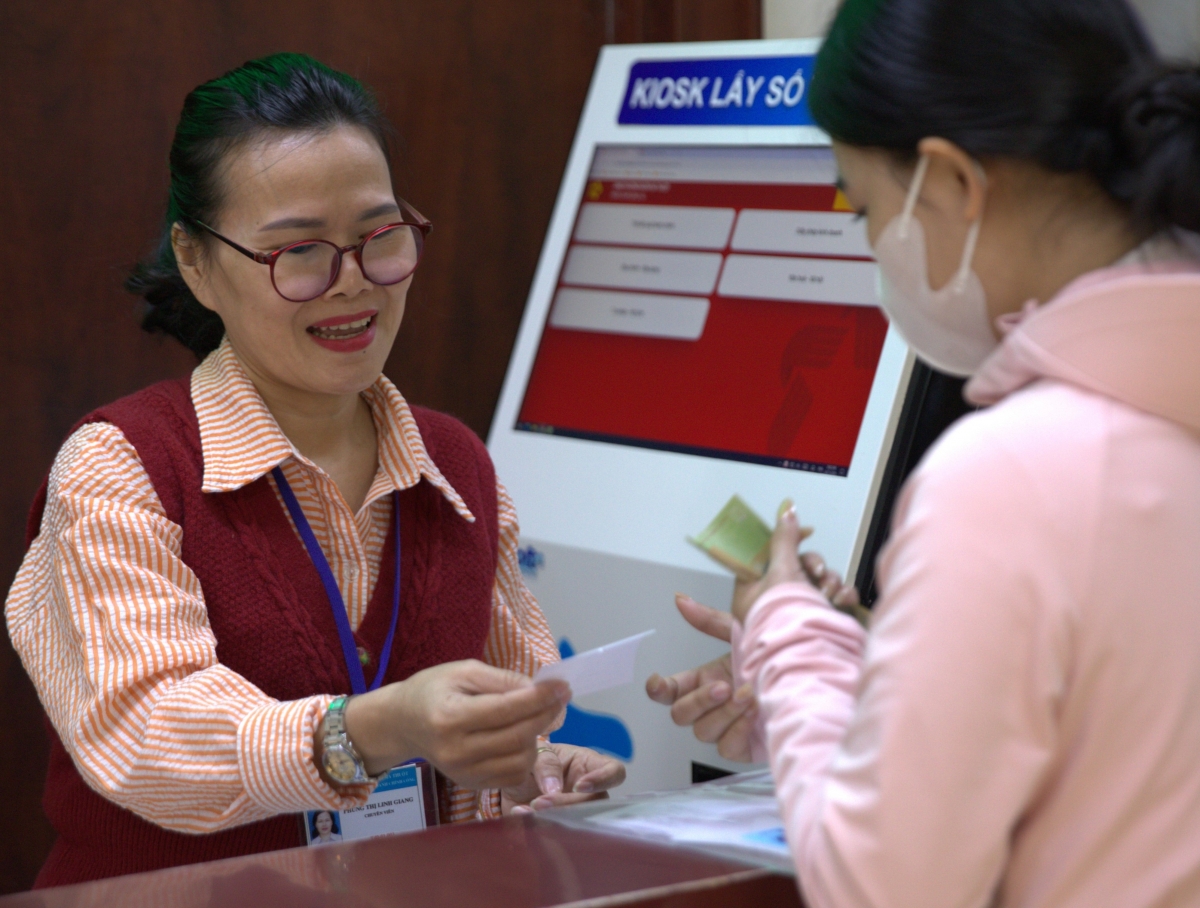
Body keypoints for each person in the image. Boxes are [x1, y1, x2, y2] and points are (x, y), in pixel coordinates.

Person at [6, 53, 623, 888]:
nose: (353, 285)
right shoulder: (122, 468)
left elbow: (503, 715)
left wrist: (534, 772)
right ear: (195, 261)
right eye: (299, 252)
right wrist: (374, 728)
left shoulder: (456, 467)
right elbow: (148, 732)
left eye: (380, 238)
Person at [647, 1, 1200, 905]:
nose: (870, 245)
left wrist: (788, 629)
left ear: (947, 180)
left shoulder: (1012, 474)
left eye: (863, 205)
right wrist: (876, 666)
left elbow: (882, 884)